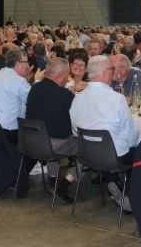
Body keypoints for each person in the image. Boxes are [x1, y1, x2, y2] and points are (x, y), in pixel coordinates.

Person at [70, 55, 138, 212]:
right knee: (140, 152)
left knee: (112, 148)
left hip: (88, 155)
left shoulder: (78, 99)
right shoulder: (116, 99)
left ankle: (113, 180)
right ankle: (128, 197)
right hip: (115, 157)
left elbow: (75, 131)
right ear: (105, 72)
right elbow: (131, 134)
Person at [25, 57, 82, 204]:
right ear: (61, 75)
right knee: (89, 149)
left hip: (31, 142)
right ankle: (63, 185)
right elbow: (78, 119)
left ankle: (53, 181)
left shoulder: (34, 88)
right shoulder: (64, 95)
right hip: (53, 145)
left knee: (51, 133)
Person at [0, 50, 45, 177]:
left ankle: (9, 173)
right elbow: (34, 100)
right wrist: (36, 81)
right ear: (18, 64)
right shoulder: (17, 81)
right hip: (6, 131)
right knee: (38, 145)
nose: (27, 66)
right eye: (26, 62)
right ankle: (16, 176)